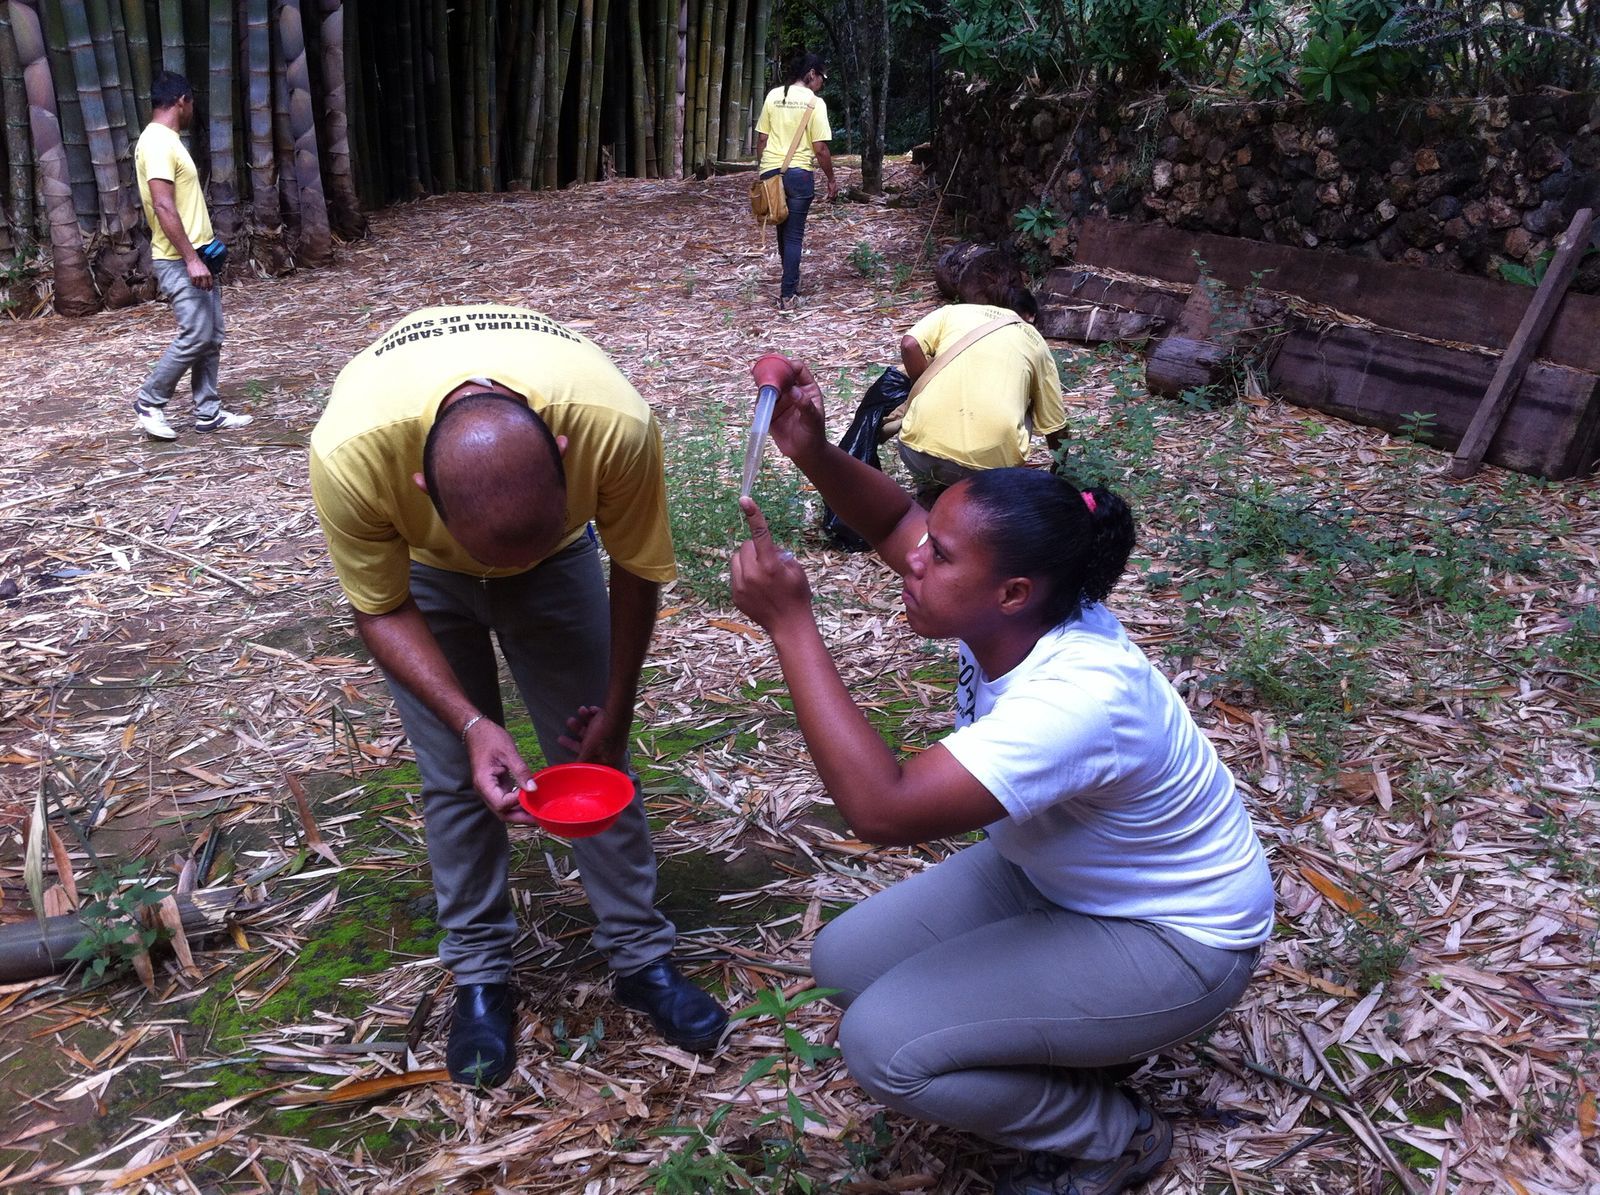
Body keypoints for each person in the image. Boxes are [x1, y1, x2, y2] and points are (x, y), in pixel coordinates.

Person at [728, 361, 1273, 1195]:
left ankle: (1115, 1136)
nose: (913, 560)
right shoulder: (1025, 601)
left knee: (883, 1046)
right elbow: (897, 521)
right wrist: (810, 449)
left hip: (1171, 935)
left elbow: (882, 807)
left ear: (1011, 591)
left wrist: (791, 622)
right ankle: (1059, 1035)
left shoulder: (1076, 696)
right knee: (842, 963)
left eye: (938, 557)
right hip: (1056, 871)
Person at [309, 304, 728, 1088]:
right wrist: (470, 721)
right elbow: (378, 605)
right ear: (421, 485)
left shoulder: (614, 425)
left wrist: (618, 701)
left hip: (561, 562)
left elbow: (637, 569)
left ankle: (641, 956)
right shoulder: (351, 453)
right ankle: (479, 972)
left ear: (566, 455)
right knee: (454, 777)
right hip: (426, 579)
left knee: (596, 760)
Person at [133, 71, 252, 441]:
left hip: (198, 253)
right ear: (182, 100)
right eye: (192, 103)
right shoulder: (157, 143)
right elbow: (163, 206)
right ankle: (150, 401)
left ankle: (208, 412)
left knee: (212, 334)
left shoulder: (169, 141)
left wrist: (201, 254)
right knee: (197, 332)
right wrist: (190, 259)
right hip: (179, 258)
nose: (192, 109)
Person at [892, 286, 1066, 507]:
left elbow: (909, 344)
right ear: (1029, 317)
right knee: (1029, 403)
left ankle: (930, 489)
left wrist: (921, 383)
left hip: (916, 453)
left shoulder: (953, 312)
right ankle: (984, 504)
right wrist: (1062, 467)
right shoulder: (1033, 338)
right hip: (987, 471)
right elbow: (1055, 425)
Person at [754, 52, 838, 313]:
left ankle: (789, 282)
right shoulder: (815, 103)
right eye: (821, 77)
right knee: (794, 235)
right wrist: (831, 179)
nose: (821, 83)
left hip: (771, 171)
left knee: (781, 227)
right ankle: (788, 293)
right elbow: (820, 148)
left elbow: (761, 140)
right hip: (799, 174)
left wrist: (763, 169)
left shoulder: (773, 96)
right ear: (811, 73)